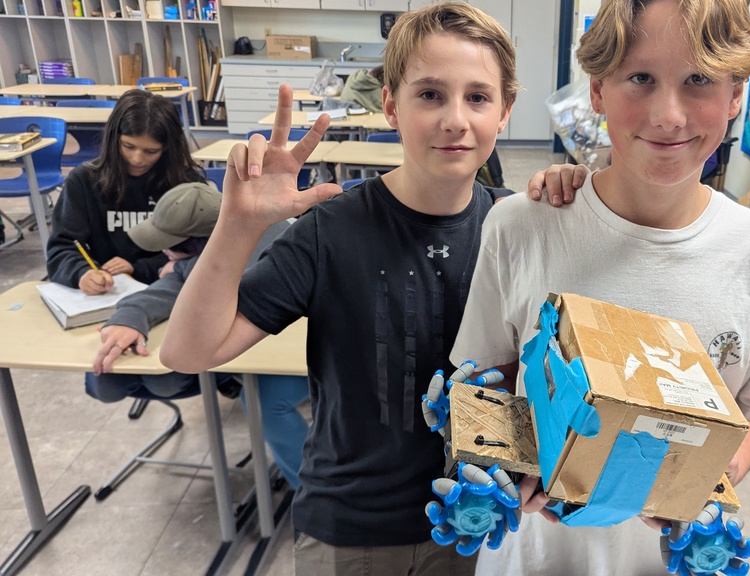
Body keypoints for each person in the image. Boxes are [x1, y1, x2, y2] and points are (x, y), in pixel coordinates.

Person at [160, 4, 540, 574]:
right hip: (349, 529)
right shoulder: (331, 228)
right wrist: (239, 225)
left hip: (472, 527)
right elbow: (188, 351)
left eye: (478, 97)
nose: (455, 119)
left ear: (505, 111)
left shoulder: (515, 228)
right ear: (390, 105)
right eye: (430, 94)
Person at [454, 0, 750, 574]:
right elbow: (480, 380)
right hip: (537, 559)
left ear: (736, 94)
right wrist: (506, 463)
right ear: (596, 90)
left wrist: (711, 482)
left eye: (699, 80)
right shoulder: (522, 225)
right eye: (640, 78)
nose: (668, 115)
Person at [90, 182, 308, 490]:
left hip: (320, 350)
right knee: (254, 394)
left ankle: (314, 491)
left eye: (171, 246)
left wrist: (190, 270)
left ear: (203, 243)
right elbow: (165, 291)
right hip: (268, 352)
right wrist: (130, 317)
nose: (164, 253)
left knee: (264, 401)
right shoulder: (199, 261)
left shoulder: (286, 241)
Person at [46, 89, 207, 295]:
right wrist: (82, 273)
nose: (137, 159)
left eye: (151, 151)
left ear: (167, 148)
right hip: (107, 290)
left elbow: (201, 249)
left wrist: (139, 268)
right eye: (128, 146)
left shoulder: (186, 184)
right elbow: (63, 246)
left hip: (169, 285)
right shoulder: (85, 180)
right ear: (115, 138)